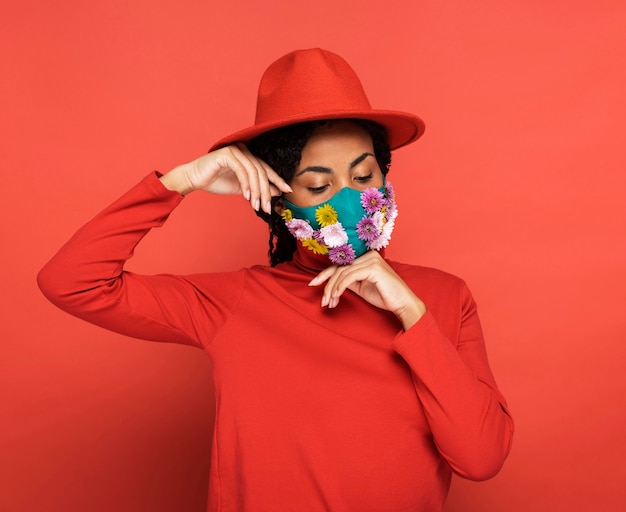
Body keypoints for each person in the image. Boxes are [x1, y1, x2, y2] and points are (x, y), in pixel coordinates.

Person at [38, 48, 513, 511]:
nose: (349, 199)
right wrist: (181, 181)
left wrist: (412, 314)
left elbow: (481, 458)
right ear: (282, 204)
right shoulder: (235, 303)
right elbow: (71, 282)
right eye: (319, 185)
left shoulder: (444, 297)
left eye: (364, 175)